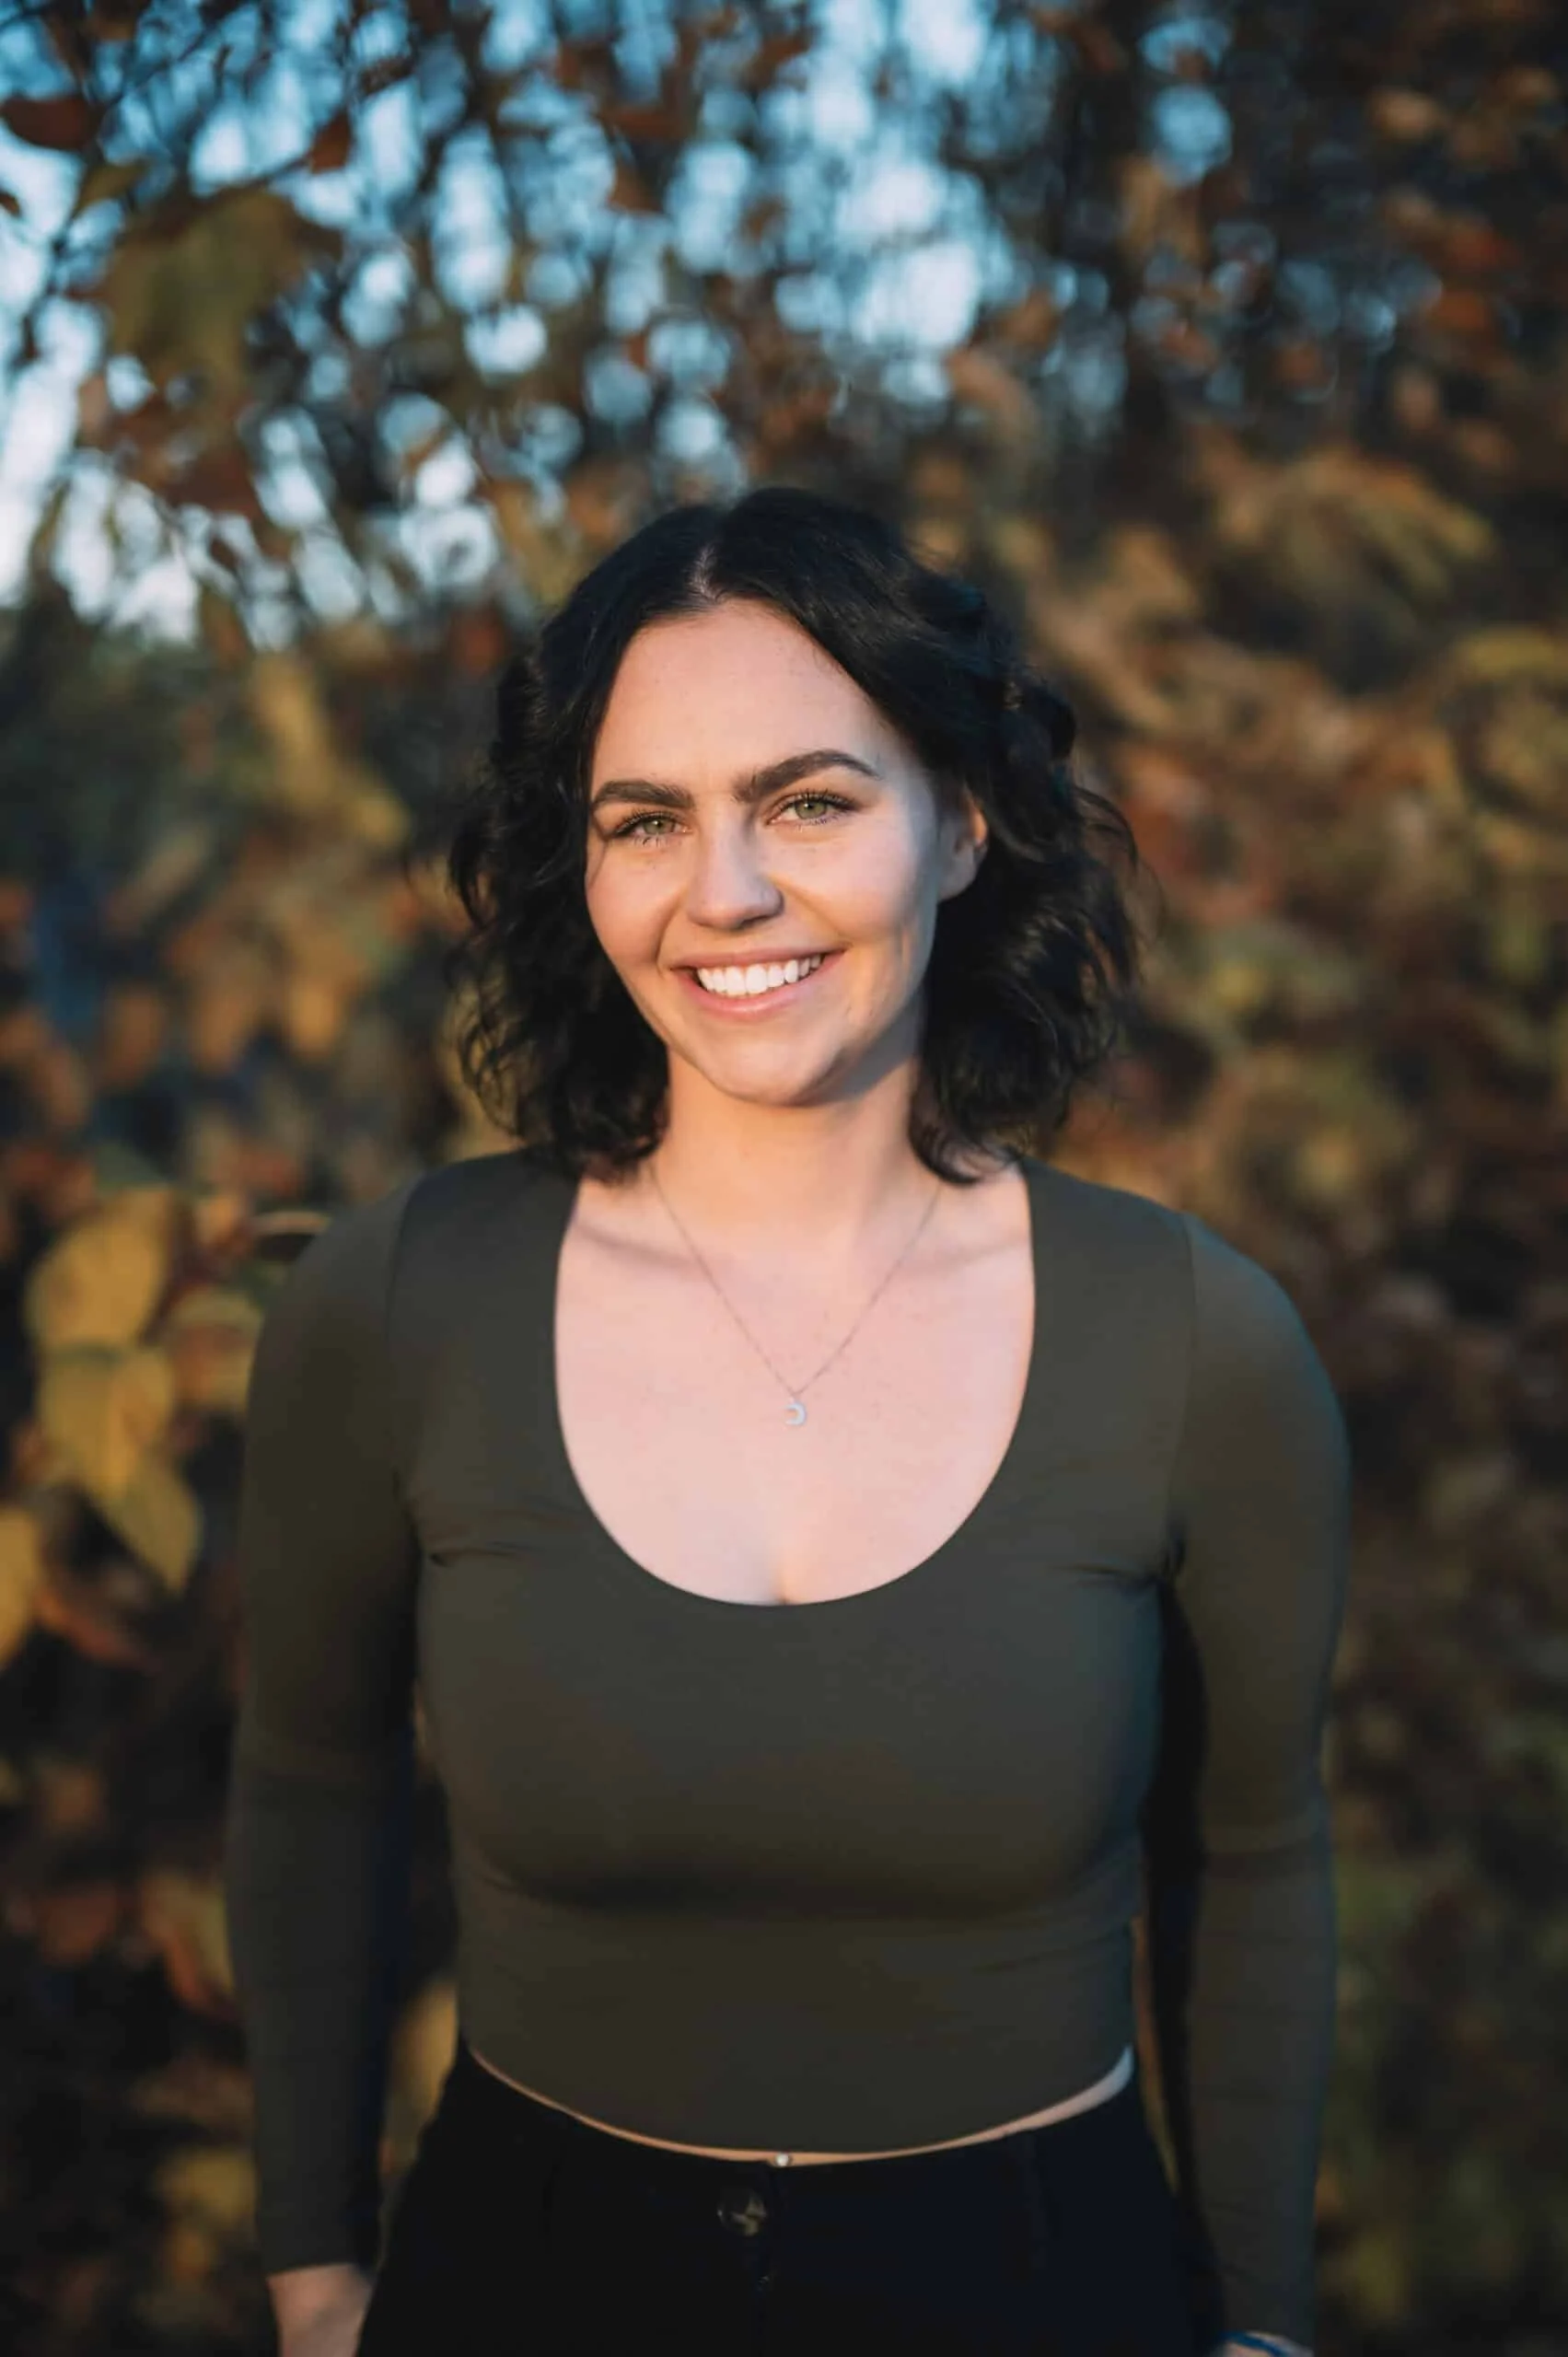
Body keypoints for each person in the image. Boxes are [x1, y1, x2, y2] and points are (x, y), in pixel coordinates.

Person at [221, 484, 1350, 2357]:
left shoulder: (1190, 1341)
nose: (722, 890)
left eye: (806, 799)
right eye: (644, 817)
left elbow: (1249, 1857)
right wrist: (314, 2267)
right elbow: (309, 1785)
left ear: (961, 821)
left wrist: (1260, 2326)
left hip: (1037, 2283)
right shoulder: (399, 1303)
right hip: (521, 2271)